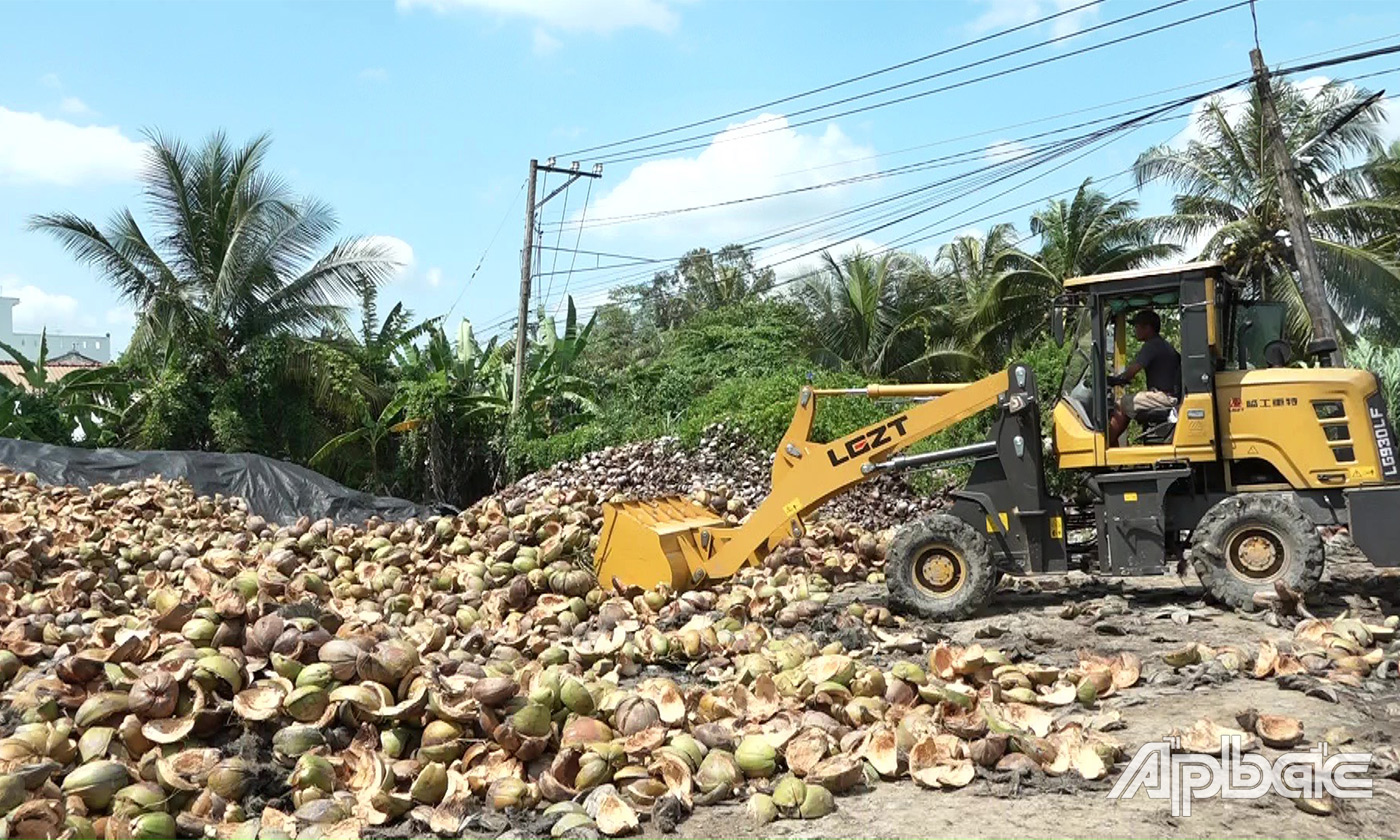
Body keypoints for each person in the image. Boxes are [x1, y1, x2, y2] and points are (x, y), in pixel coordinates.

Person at [1107, 309, 1180, 446]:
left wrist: (1116, 379)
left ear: (1148, 328)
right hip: (1169, 395)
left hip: (1164, 397)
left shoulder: (1151, 346)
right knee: (1128, 402)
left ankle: (1106, 444)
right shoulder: (1162, 344)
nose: (1135, 330)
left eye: (1137, 327)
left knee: (1121, 404)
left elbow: (1132, 371)